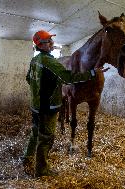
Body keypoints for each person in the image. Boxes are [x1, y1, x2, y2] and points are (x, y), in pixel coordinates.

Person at [22, 30, 104, 177]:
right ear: (41, 45)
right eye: (49, 41)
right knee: (46, 137)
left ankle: (26, 157)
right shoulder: (50, 62)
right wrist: (92, 73)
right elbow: (68, 78)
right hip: (47, 107)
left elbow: (29, 79)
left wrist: (40, 87)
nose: (52, 43)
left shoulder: (35, 60)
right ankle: (41, 170)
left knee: (35, 132)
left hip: (35, 105)